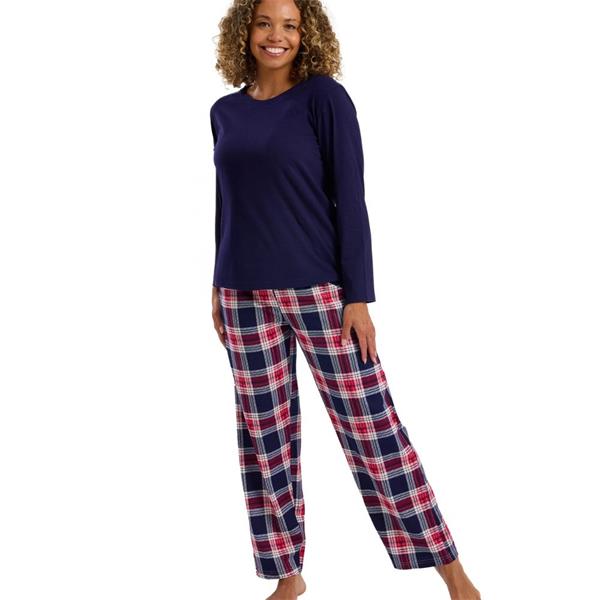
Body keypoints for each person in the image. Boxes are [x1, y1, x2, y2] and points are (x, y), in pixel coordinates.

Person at [210, 1, 481, 599]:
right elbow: (227, 201)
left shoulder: (324, 99)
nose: (276, 36)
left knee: (372, 428)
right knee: (265, 439)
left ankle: (454, 575)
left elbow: (350, 198)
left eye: (289, 25)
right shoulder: (224, 111)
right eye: (264, 23)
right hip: (241, 293)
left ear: (305, 34)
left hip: (318, 292)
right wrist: (215, 284)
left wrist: (357, 297)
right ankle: (288, 577)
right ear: (245, 30)